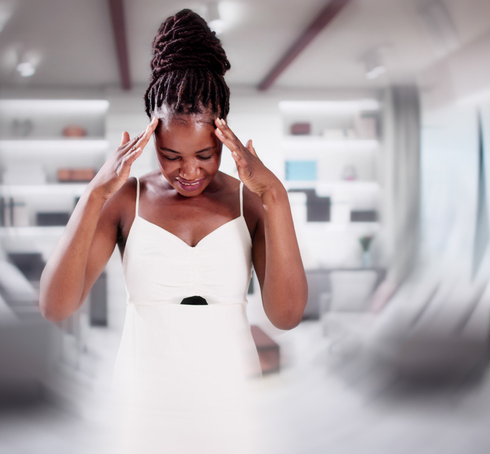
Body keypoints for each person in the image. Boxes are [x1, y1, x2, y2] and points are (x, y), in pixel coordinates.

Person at [39, 9, 307, 453]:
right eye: (169, 155)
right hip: (145, 394)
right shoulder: (125, 200)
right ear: (150, 134)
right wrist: (93, 196)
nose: (188, 171)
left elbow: (286, 315)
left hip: (232, 393)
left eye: (204, 154)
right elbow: (55, 306)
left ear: (223, 132)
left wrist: (275, 195)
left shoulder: (252, 202)